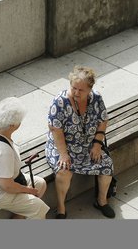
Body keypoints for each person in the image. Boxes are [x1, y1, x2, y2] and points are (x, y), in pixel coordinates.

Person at [46, 65, 115, 219]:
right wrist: (63, 155)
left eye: (81, 90)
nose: (76, 92)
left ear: (90, 89)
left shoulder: (96, 98)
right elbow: (55, 130)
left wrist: (97, 144)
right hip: (62, 146)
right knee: (64, 171)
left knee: (107, 164)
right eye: (73, 88)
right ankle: (61, 208)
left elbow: (103, 120)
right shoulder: (60, 102)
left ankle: (101, 201)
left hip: (88, 145)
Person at [0, 96, 49, 219]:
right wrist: (28, 190)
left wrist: (28, 189)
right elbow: (7, 186)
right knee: (38, 207)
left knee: (40, 184)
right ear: (14, 125)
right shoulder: (2, 151)